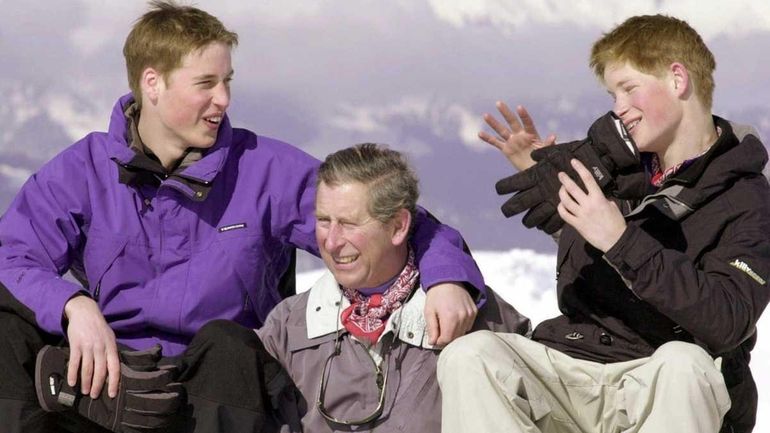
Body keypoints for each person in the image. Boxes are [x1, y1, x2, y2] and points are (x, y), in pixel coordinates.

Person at [0, 2, 486, 432]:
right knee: (6, 325)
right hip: (105, 377)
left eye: (227, 82)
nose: (224, 100)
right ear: (153, 83)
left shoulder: (264, 169)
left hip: (222, 387)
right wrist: (73, 305)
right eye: (206, 84)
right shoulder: (83, 170)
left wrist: (445, 279)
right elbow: (13, 256)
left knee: (226, 345)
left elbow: (392, 220)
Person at [439, 14, 770, 433]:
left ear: (678, 79)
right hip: (575, 367)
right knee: (472, 356)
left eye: (629, 89)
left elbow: (728, 318)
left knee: (685, 364)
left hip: (659, 381)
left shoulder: (749, 199)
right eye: (614, 94)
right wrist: (560, 196)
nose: (619, 109)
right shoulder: (611, 168)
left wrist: (620, 238)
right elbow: (593, 257)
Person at [257, 143, 531, 432]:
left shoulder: (476, 318)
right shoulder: (287, 329)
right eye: (324, 221)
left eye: (349, 224)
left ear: (399, 226)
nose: (331, 241)